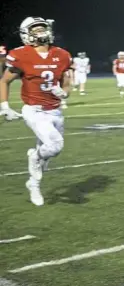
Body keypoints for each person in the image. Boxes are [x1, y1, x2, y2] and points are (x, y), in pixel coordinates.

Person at [0, 17, 72, 206]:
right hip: (34, 110)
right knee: (55, 145)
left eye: (43, 28)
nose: (41, 32)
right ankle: (34, 156)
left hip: (55, 111)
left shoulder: (62, 54)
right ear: (26, 34)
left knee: (46, 161)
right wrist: (5, 106)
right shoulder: (21, 55)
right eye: (36, 30)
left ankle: (33, 184)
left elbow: (67, 83)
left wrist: (63, 94)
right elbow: (4, 81)